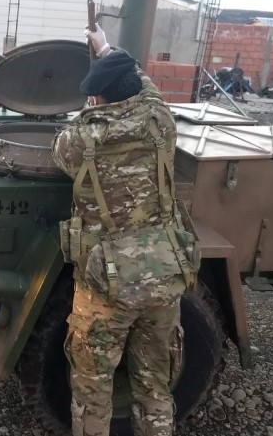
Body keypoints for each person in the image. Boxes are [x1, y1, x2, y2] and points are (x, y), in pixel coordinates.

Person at [52, 26, 198, 436]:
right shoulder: (160, 119)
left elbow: (58, 153)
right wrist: (107, 47)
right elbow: (146, 88)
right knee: (154, 385)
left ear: (97, 98)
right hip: (164, 277)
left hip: (106, 285)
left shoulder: (81, 137)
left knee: (92, 390)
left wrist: (87, 114)